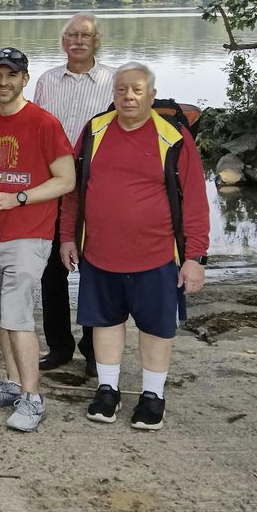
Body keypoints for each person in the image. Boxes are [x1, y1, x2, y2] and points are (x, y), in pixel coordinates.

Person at [60, 63, 209, 430]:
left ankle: (152, 395)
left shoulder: (171, 136)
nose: (129, 96)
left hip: (157, 255)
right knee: (105, 324)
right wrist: (67, 236)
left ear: (152, 95)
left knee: (156, 328)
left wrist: (195, 257)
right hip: (99, 252)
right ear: (113, 93)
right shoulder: (94, 130)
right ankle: (107, 390)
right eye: (122, 89)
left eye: (137, 90)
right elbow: (75, 192)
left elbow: (194, 200)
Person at [0, 48, 75, 432]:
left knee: (18, 317)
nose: (3, 82)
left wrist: (19, 197)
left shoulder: (44, 124)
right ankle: (13, 384)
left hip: (29, 236)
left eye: (11, 75)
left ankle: (34, 398)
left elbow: (66, 180)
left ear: (25, 78)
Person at [32, 13, 115, 376]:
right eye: (71, 35)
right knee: (51, 273)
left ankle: (95, 350)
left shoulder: (113, 81)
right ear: (63, 41)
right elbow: (36, 131)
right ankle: (60, 347)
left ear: (97, 41)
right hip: (53, 185)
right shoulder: (48, 80)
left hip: (97, 187)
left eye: (85, 35)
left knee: (97, 272)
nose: (78, 41)